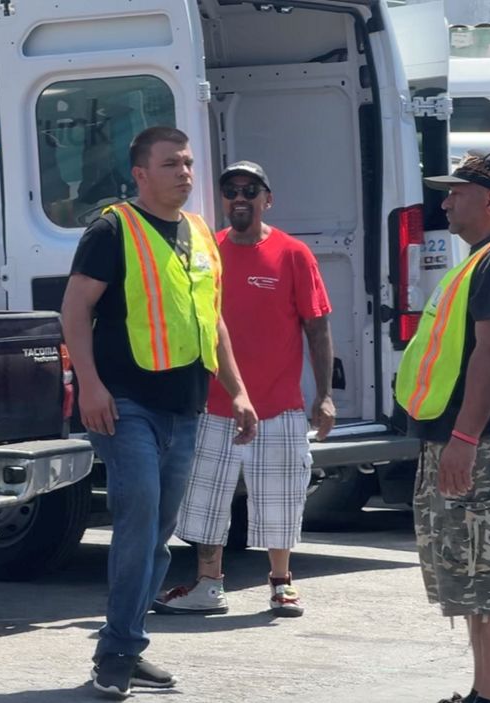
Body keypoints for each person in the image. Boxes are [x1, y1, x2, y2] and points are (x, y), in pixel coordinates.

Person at [60, 126, 258, 700]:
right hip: (125, 404)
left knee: (158, 535)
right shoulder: (112, 228)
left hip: (185, 408)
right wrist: (89, 385)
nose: (185, 173)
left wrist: (237, 391)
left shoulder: (199, 233)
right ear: (141, 173)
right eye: (171, 164)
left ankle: (124, 642)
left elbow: (212, 319)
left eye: (189, 163)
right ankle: (120, 652)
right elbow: (74, 310)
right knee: (140, 520)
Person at [153, 161, 334, 618]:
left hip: (278, 404)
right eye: (231, 190)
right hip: (214, 405)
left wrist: (325, 395)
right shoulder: (206, 251)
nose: (239, 197)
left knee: (280, 498)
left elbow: (317, 327)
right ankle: (208, 585)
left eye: (250, 190)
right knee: (205, 500)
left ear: (267, 200)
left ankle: (281, 583)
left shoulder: (293, 254)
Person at [397, 150, 490, 703]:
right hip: (469, 442)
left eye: (456, 193)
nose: (444, 204)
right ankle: (483, 691)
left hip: (487, 446)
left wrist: (464, 438)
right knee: (473, 579)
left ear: (489, 201)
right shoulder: (485, 260)